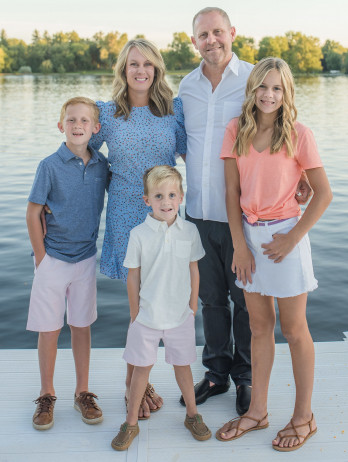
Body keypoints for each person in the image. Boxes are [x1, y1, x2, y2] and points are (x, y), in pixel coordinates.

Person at [178, 6, 310, 416]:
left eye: (218, 32)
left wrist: (301, 176)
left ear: (232, 33)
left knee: (246, 298)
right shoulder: (185, 86)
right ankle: (216, 371)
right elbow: (182, 142)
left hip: (244, 215)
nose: (211, 40)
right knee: (211, 299)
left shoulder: (256, 79)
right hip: (198, 210)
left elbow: (286, 123)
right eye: (203, 35)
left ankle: (246, 377)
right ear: (194, 40)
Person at [216, 57, 332, 451]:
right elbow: (231, 193)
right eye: (262, 87)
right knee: (259, 327)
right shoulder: (236, 130)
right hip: (248, 238)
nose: (268, 94)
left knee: (294, 330)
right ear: (252, 90)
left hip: (285, 239)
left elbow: (322, 193)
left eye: (277, 88)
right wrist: (239, 246)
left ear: (286, 93)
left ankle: (305, 417)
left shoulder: (299, 134)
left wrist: (292, 238)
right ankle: (258, 412)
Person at [89, 38, 187, 419]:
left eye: (147, 64)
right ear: (123, 69)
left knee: (156, 301)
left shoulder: (172, 110)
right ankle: (138, 387)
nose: (140, 70)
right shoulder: (108, 113)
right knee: (138, 309)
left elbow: (193, 154)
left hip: (162, 216)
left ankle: (138, 385)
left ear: (157, 69)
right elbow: (83, 147)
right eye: (133, 64)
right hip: (125, 216)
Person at [111, 165, 211, 451]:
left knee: (184, 366)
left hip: (180, 315)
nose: (165, 202)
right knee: (142, 368)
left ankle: (192, 415)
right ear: (147, 200)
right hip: (147, 316)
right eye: (158, 196)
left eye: (171, 195)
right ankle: (130, 423)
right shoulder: (139, 234)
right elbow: (133, 276)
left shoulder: (189, 231)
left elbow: (194, 270)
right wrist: (135, 313)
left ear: (180, 197)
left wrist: (192, 307)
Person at [26, 97, 109, 430]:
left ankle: (82, 392)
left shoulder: (102, 164)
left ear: (95, 128)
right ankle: (46, 395)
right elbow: (34, 212)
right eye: (71, 120)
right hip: (53, 260)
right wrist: (41, 259)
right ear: (61, 126)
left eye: (85, 121)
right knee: (49, 329)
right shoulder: (49, 165)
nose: (78, 126)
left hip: (86, 258)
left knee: (81, 326)